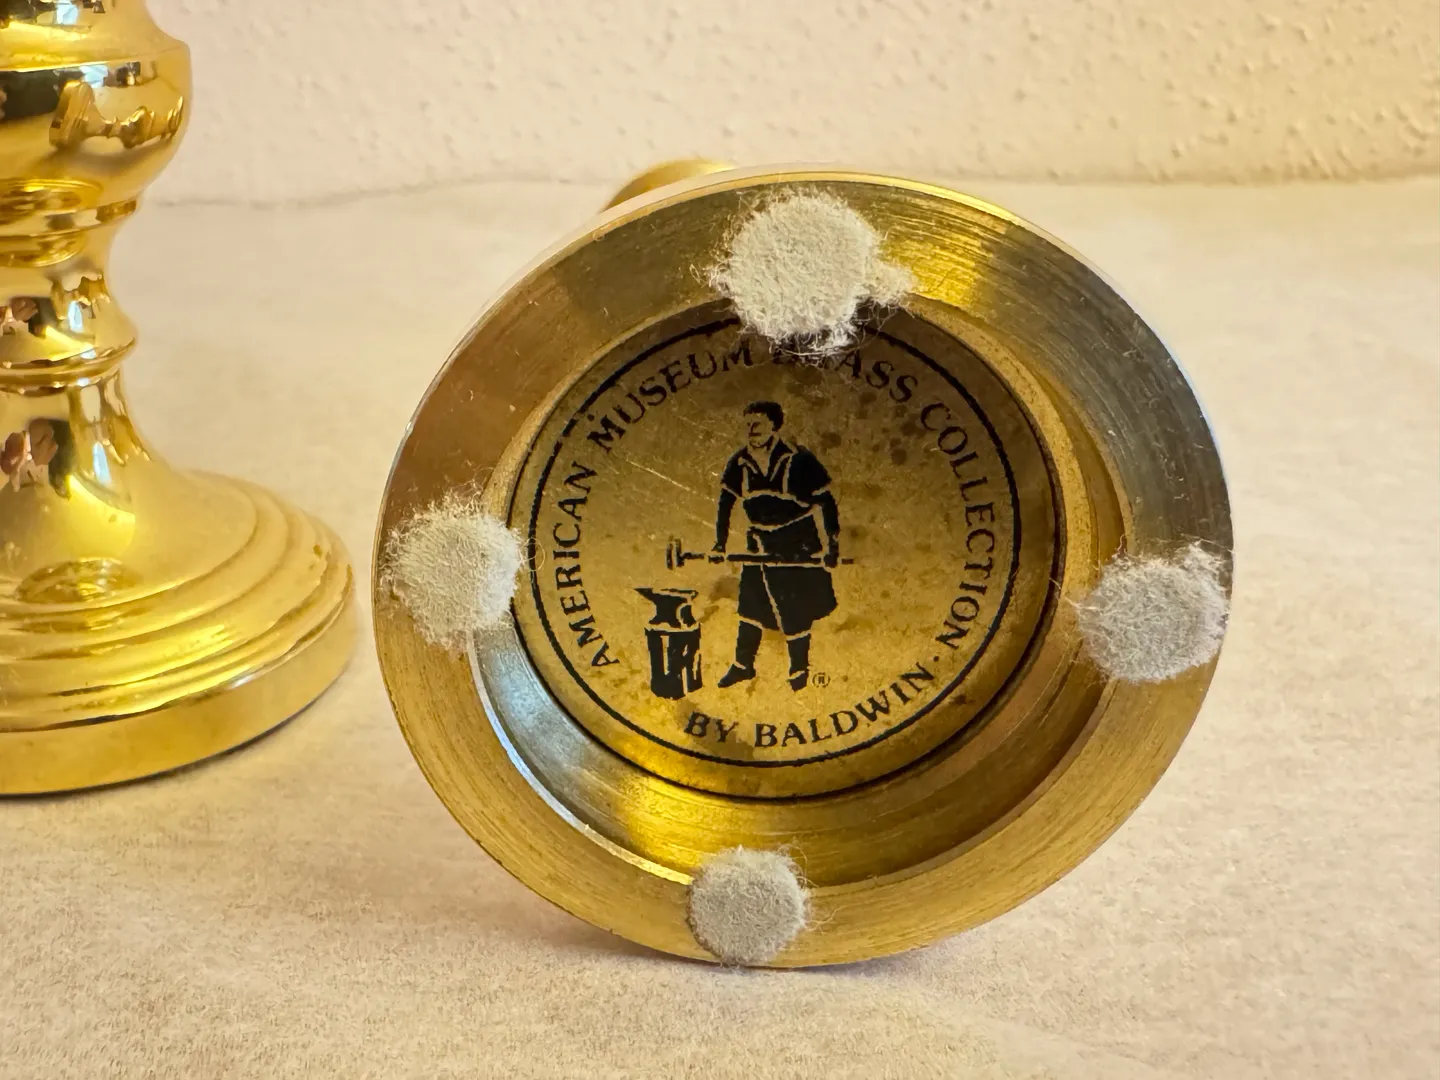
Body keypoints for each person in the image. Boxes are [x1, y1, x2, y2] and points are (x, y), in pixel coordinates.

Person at [712, 401, 840, 691]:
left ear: (774, 425)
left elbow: (827, 503)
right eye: (747, 424)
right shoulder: (740, 462)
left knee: (795, 607)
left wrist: (833, 546)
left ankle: (799, 672)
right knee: (751, 604)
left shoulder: (799, 459)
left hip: (796, 541)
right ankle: (743, 666)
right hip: (759, 542)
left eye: (757, 423)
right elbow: (725, 504)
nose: (751, 430)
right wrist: (719, 544)